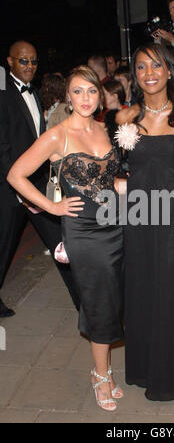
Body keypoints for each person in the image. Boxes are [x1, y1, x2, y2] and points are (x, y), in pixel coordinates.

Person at [7, 65, 124, 412]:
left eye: (91, 91)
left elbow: (111, 181)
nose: (85, 98)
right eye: (78, 91)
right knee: (99, 299)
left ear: (99, 94)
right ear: (67, 97)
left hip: (117, 223)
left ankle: (105, 370)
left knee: (116, 296)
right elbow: (16, 174)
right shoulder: (57, 135)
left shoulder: (106, 128)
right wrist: (52, 208)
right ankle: (100, 375)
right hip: (83, 230)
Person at [113, 42, 174, 401]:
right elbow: (114, 168)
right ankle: (141, 368)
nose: (149, 74)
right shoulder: (125, 118)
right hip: (136, 216)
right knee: (138, 291)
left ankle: (172, 373)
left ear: (169, 70)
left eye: (156, 66)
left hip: (170, 216)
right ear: (134, 75)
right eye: (140, 67)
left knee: (171, 293)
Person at [0, 40, 80, 312]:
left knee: (61, 245)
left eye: (34, 61)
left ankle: (84, 305)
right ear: (10, 62)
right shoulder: (2, 93)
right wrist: (19, 190)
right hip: (10, 189)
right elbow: (2, 149)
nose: (30, 66)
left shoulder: (33, 92)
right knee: (3, 248)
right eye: (24, 61)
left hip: (35, 185)